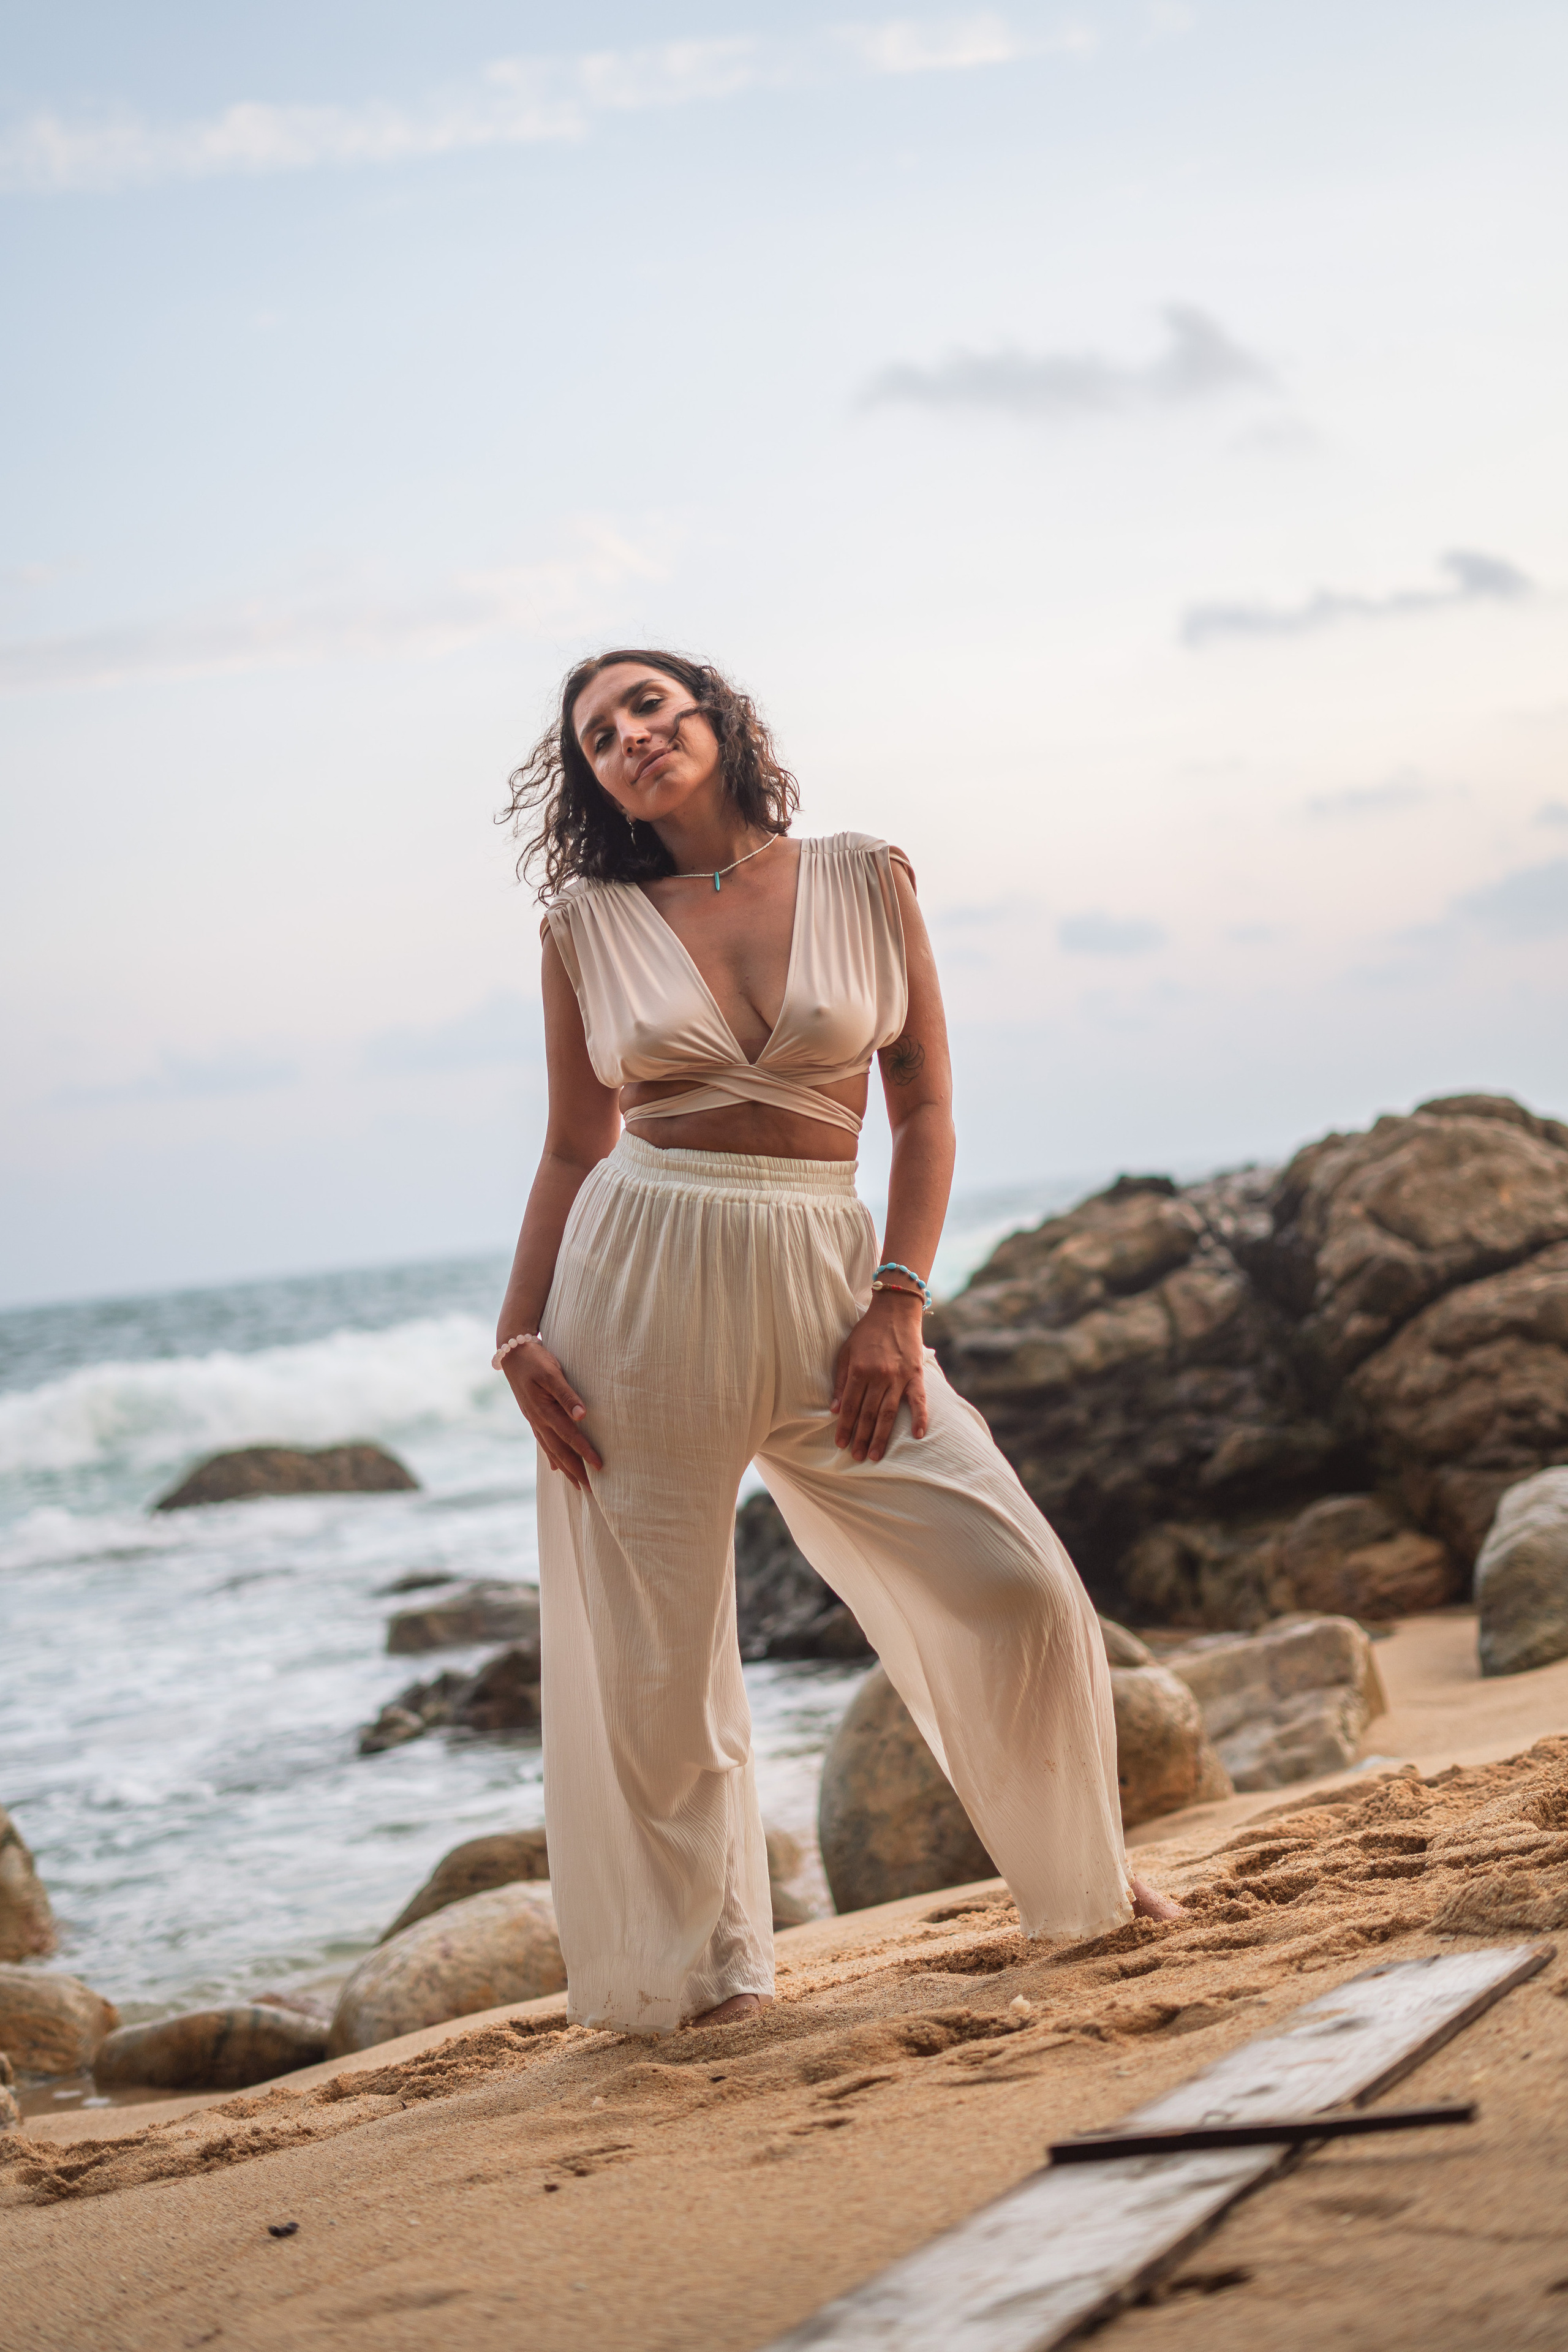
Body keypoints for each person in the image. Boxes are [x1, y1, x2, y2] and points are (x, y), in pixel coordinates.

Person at [493, 649, 1177, 2034]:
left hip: (825, 1275)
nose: (630, 736)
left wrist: (896, 1300)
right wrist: (516, 1333)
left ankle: (1081, 1879)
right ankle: (707, 1981)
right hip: (635, 1285)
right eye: (598, 735)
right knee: (657, 1672)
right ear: (593, 781)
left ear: (713, 717)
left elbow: (923, 1111)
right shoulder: (586, 926)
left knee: (1016, 1583)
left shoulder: (866, 877)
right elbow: (573, 1144)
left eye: (648, 705)